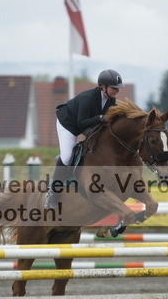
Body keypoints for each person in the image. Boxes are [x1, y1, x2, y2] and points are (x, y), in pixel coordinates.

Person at [45, 68, 125, 208]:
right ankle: (53, 192)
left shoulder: (111, 100)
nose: (117, 90)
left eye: (118, 88)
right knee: (67, 157)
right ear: (103, 87)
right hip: (68, 124)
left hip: (86, 123)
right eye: (114, 88)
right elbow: (81, 123)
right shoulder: (88, 99)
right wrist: (101, 117)